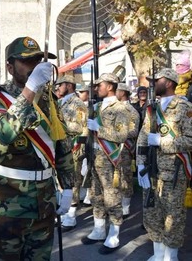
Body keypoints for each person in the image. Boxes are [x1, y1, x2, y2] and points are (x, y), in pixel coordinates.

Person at [0, 36, 74, 260]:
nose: (34, 67)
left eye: (37, 61)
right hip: (8, 198)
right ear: (9, 66)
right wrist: (31, 88)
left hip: (44, 197)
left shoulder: (49, 99)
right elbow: (5, 132)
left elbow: (61, 144)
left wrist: (68, 187)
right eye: (27, 61)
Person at [137, 68, 192, 260]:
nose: (153, 84)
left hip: (173, 172)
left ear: (169, 82)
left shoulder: (184, 107)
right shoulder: (153, 108)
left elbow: (190, 140)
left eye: (157, 80)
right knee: (151, 213)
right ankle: (158, 253)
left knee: (173, 217)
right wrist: (140, 165)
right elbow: (143, 138)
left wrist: (162, 142)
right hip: (151, 170)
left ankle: (171, 256)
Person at [81, 73, 129, 255]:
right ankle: (99, 229)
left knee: (112, 197)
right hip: (94, 158)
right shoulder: (96, 106)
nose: (96, 88)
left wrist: (99, 129)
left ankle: (114, 235)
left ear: (110, 86)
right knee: (95, 195)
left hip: (110, 160)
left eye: (99, 85)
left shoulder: (120, 109)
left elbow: (122, 135)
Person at [55, 75, 88, 232]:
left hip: (72, 147)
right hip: (60, 146)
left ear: (68, 85)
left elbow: (80, 127)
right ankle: (62, 212)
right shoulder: (59, 102)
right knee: (60, 180)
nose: (57, 88)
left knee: (71, 180)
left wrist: (58, 124)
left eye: (59, 85)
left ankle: (71, 217)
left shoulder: (77, 104)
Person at [115, 83, 140, 218]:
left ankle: (125, 206)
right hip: (112, 148)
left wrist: (116, 133)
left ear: (123, 93)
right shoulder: (114, 108)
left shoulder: (131, 111)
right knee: (114, 177)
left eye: (117, 91)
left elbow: (134, 131)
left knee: (125, 178)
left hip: (124, 148)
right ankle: (116, 203)